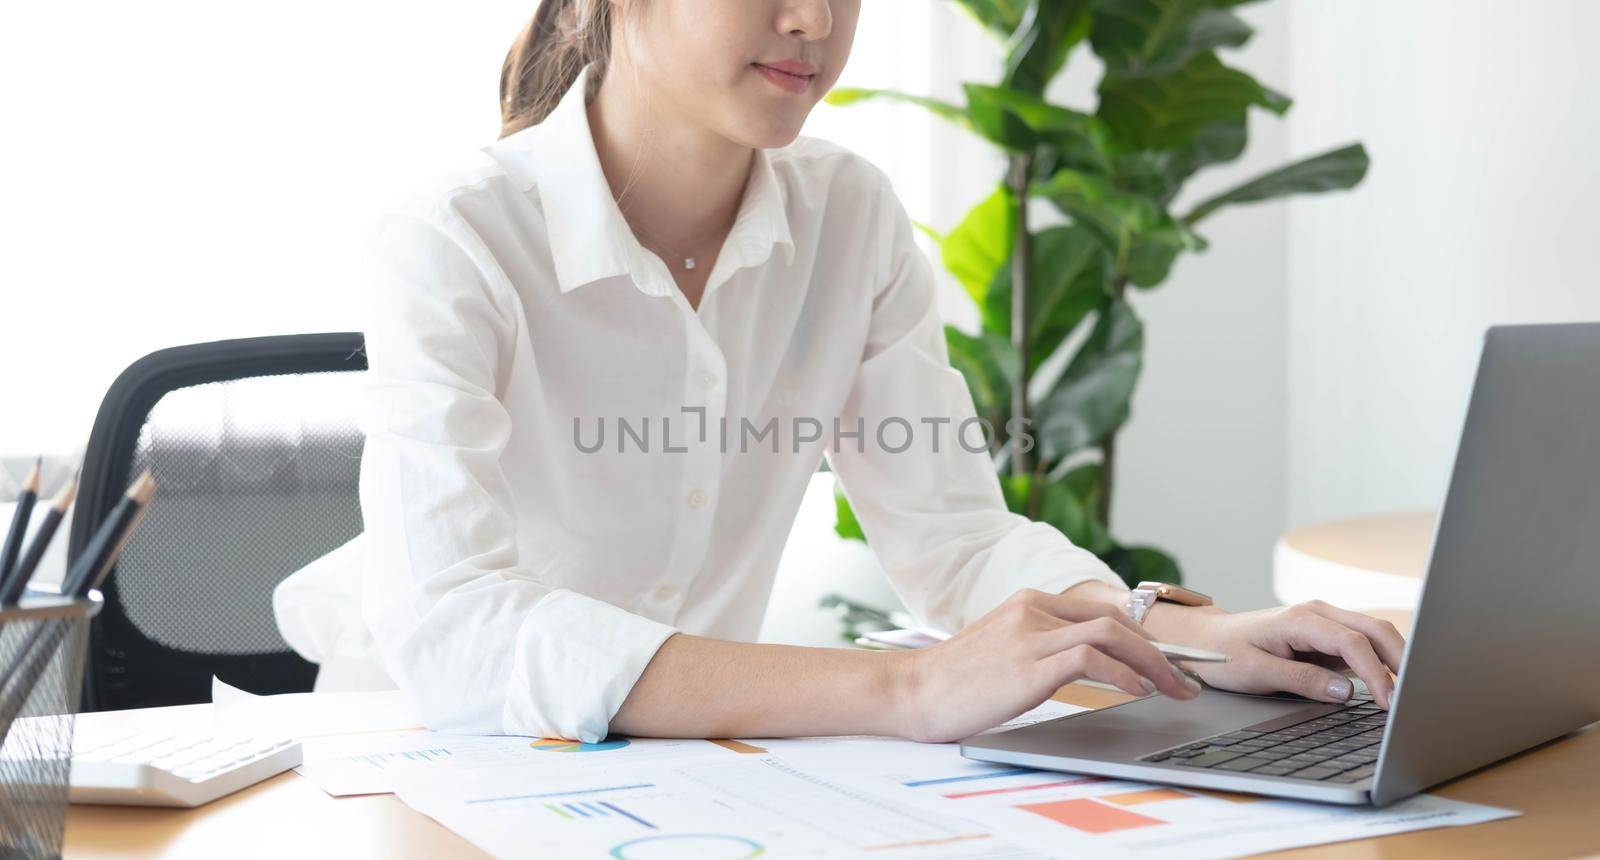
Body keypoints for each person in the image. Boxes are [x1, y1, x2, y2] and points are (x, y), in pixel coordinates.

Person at [346, 0, 1405, 746]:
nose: (814, 19)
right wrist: (905, 685)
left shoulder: (847, 213)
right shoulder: (452, 239)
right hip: (430, 775)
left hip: (690, 786)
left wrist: (1210, 639)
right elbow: (457, 627)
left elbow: (955, 538)